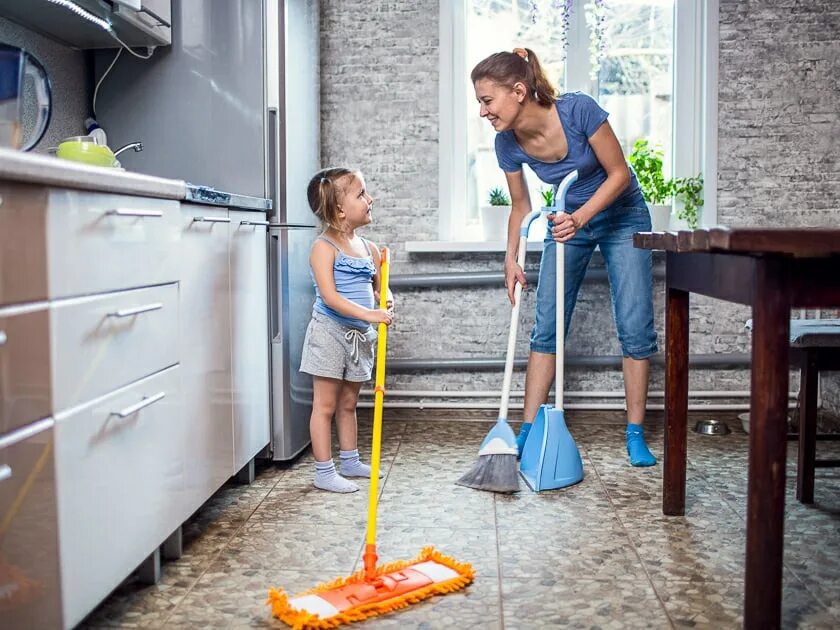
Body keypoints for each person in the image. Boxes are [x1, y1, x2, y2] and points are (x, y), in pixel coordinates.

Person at [472, 47, 658, 467]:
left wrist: (580, 217)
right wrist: (511, 257)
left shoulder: (578, 111)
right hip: (567, 220)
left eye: (487, 100)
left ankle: (635, 433)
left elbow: (620, 174)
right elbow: (520, 206)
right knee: (547, 324)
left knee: (634, 323)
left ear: (518, 91)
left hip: (622, 216)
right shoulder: (507, 144)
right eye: (480, 103)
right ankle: (526, 432)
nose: (483, 111)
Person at [300, 167, 394, 492]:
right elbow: (330, 297)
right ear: (340, 209)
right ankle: (324, 472)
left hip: (360, 335)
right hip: (329, 333)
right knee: (325, 405)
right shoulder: (323, 248)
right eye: (362, 194)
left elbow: (380, 289)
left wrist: (386, 302)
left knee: (349, 404)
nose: (370, 199)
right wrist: (371, 314)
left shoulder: (369, 248)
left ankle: (350, 460)